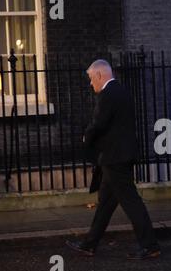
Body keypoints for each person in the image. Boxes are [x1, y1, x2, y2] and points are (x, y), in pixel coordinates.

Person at [66, 59, 160, 260]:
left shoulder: (107, 94)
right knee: (106, 203)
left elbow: (98, 123)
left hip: (114, 157)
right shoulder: (122, 91)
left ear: (100, 75)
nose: (91, 84)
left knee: (131, 201)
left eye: (91, 79)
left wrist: (86, 137)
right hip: (121, 154)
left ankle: (150, 245)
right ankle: (89, 244)